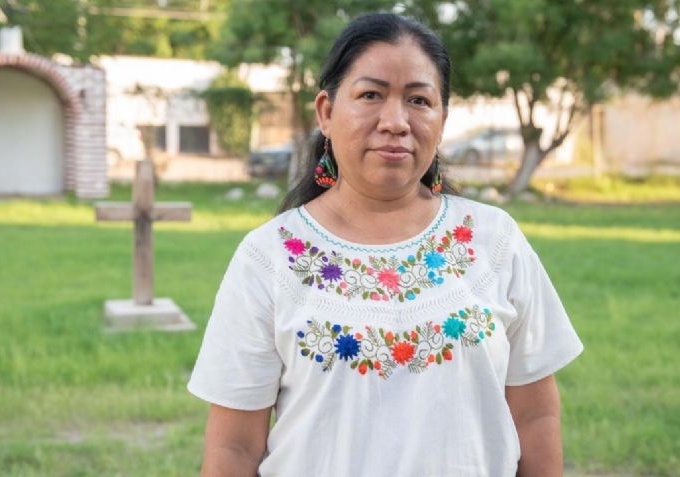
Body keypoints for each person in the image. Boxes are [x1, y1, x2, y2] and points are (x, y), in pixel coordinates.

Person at [188, 12, 583, 477]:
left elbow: (535, 416)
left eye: (419, 100)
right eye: (371, 95)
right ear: (327, 113)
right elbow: (233, 450)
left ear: (441, 120)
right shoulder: (270, 257)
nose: (395, 121)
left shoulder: (493, 241)